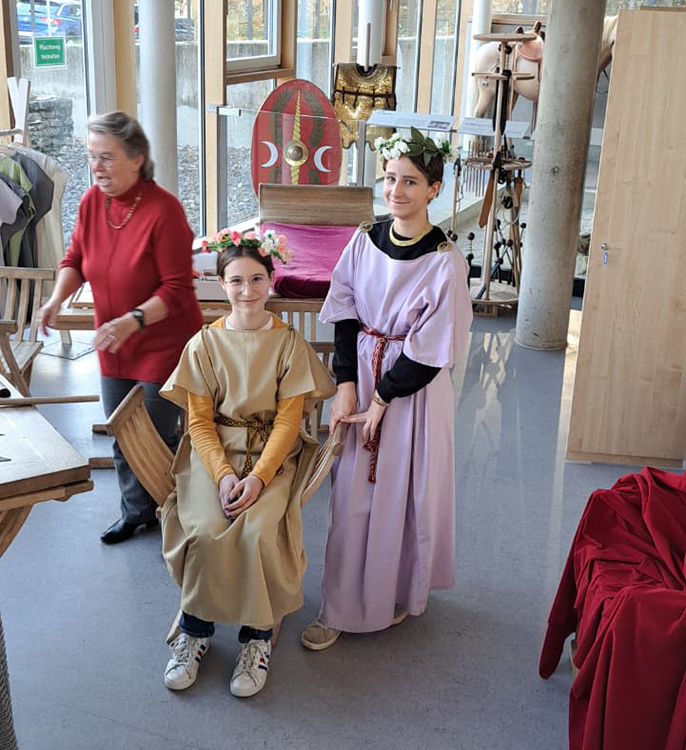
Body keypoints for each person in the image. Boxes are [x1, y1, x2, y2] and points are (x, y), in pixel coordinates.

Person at [301, 129, 473, 650]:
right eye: (390, 178)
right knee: (352, 494)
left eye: (411, 181)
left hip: (413, 393)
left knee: (403, 492)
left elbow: (432, 349)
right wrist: (346, 385)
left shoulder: (444, 260)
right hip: (364, 374)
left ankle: (394, 589)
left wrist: (382, 399)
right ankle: (339, 606)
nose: (396, 191)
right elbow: (345, 313)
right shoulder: (364, 239)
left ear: (434, 189)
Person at [158, 232, 335, 697]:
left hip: (272, 457)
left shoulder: (288, 343)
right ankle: (195, 631)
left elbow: (288, 422)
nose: (248, 290)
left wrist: (257, 478)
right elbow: (199, 423)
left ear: (271, 280)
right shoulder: (205, 344)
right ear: (221, 284)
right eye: (236, 280)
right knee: (205, 528)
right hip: (214, 453)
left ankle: (256, 639)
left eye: (257, 279)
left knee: (256, 530)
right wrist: (223, 476)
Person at [38, 111, 203, 544]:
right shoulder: (92, 202)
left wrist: (132, 321)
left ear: (137, 158)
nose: (97, 167)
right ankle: (136, 513)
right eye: (92, 156)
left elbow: (176, 289)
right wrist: (55, 300)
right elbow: (75, 259)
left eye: (107, 157)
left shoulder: (164, 210)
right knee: (121, 430)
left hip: (163, 342)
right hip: (114, 340)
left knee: (155, 436)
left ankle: (177, 515)